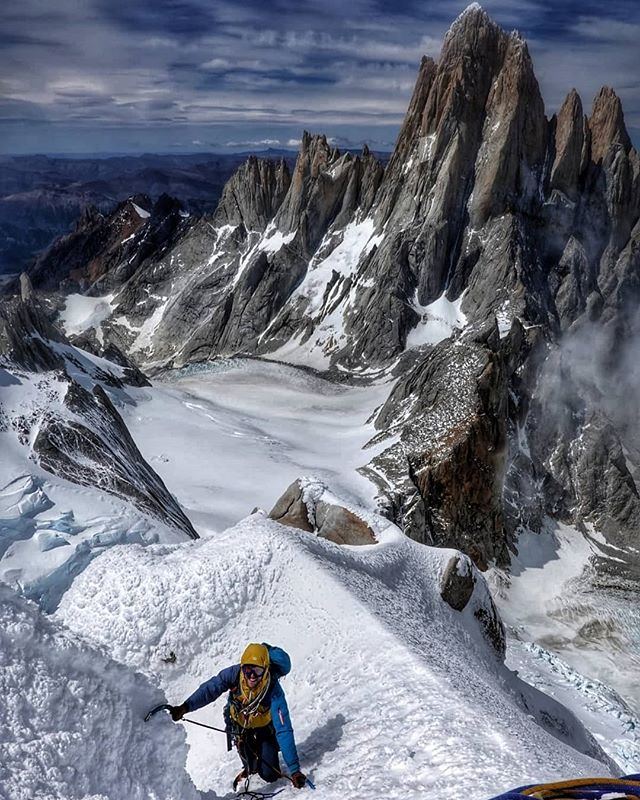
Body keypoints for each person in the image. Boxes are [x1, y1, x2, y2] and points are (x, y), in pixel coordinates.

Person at [169, 642, 307, 790]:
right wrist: (185, 707)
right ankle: (250, 764)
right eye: (248, 670)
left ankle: (268, 748)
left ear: (266, 670)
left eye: (258, 671)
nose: (252, 676)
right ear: (242, 668)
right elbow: (210, 689)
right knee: (250, 764)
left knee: (269, 775)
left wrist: (295, 770)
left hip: (264, 728)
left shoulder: (273, 689)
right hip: (239, 725)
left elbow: (283, 729)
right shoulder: (234, 675)